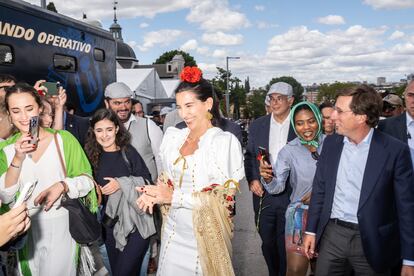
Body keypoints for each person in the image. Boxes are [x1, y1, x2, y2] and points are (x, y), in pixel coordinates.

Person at [136, 66, 245, 275]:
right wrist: (156, 193)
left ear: (208, 104)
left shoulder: (223, 142)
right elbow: (167, 180)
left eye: (189, 105)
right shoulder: (172, 137)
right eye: (179, 107)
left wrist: (173, 197)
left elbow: (224, 200)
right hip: (173, 233)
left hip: (206, 237)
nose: (183, 114)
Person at [303, 85, 414, 275]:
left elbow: (406, 208)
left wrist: (409, 259)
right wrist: (311, 231)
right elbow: (320, 189)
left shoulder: (395, 151)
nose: (332, 117)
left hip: (372, 240)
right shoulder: (331, 144)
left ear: (361, 117)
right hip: (332, 236)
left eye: (339, 111)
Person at [0, 83, 95, 276]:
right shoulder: (6, 149)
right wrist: (17, 157)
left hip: (62, 227)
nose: (24, 117)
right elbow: (6, 196)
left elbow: (87, 181)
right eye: (16, 111)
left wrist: (63, 185)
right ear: (9, 115)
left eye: (29, 108)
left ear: (40, 108)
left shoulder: (64, 140)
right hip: (24, 230)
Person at [84, 108, 155, 275]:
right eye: (99, 130)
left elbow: (148, 183)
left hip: (136, 223)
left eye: (109, 129)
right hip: (109, 225)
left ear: (116, 129)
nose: (104, 135)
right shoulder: (91, 155)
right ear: (93, 132)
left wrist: (121, 184)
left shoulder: (128, 152)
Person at [260, 102, 324, 276]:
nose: (306, 127)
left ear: (319, 120)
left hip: (328, 218)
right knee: (295, 271)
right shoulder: (288, 151)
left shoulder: (333, 144)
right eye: (300, 123)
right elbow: (276, 187)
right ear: (294, 126)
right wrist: (268, 178)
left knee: (321, 270)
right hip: (299, 217)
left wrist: (320, 195)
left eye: (311, 121)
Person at [244, 82, 296, 276]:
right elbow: (249, 156)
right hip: (264, 195)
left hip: (291, 194)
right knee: (267, 242)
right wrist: (253, 179)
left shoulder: (299, 124)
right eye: (272, 98)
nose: (274, 103)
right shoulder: (258, 125)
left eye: (280, 98)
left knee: (286, 244)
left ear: (290, 101)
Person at [104, 82, 163, 183]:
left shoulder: (148, 125)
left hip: (146, 192)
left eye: (127, 102)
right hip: (114, 195)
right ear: (107, 103)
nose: (123, 107)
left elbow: (161, 158)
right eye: (117, 103)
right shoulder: (100, 130)